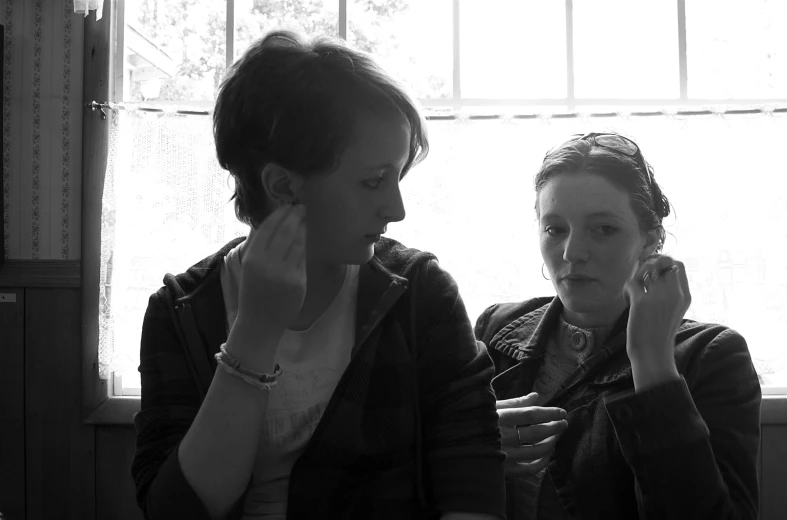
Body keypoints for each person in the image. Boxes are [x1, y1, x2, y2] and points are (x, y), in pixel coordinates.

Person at [130, 30, 506, 520]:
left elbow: (472, 488)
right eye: (373, 181)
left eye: (398, 177)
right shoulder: (181, 311)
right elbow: (175, 512)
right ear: (283, 185)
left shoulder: (420, 295)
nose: (396, 208)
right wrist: (255, 332)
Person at [474, 132, 761, 520]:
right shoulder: (496, 330)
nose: (573, 252)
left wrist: (652, 362)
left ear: (650, 239)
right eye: (555, 229)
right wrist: (473, 448)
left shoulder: (710, 355)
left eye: (603, 229)